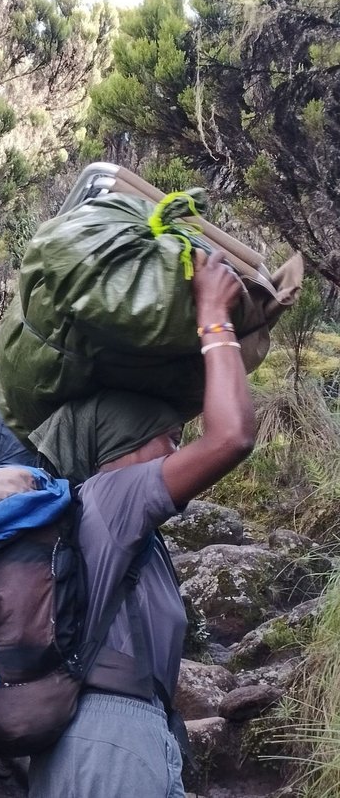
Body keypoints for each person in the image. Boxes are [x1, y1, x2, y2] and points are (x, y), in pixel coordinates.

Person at [22, 249, 254, 797]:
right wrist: (214, 315)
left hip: (116, 742)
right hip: (111, 743)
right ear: (120, 447)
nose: (177, 450)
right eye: (168, 439)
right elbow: (232, 437)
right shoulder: (111, 496)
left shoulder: (110, 523)